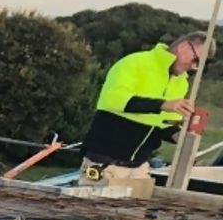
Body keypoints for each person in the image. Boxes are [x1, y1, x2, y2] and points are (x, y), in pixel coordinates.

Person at [80, 32, 207, 188]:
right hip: (104, 164)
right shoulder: (134, 62)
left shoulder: (181, 83)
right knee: (94, 212)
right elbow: (115, 100)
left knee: (137, 212)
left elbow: (161, 124)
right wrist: (162, 104)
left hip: (139, 169)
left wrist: (179, 135)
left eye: (199, 64)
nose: (194, 67)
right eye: (196, 60)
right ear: (183, 47)